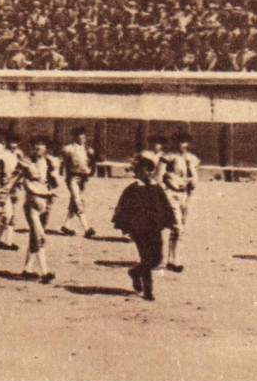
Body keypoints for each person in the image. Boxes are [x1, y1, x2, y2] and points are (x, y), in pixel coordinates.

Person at [112, 156, 178, 302]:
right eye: (144, 171)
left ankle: (135, 272)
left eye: (150, 171)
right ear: (138, 172)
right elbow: (122, 209)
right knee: (147, 258)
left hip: (155, 228)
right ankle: (148, 291)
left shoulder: (156, 187)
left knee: (158, 259)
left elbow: (165, 205)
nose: (148, 173)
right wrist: (127, 228)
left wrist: (172, 222)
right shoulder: (132, 189)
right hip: (139, 230)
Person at [15, 136, 62, 283]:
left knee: (35, 238)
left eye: (41, 144)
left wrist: (54, 183)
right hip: (32, 204)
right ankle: (45, 272)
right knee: (39, 236)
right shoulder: (25, 163)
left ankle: (27, 269)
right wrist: (2, 197)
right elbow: (12, 181)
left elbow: (55, 184)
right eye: (35, 144)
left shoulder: (50, 163)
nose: (38, 147)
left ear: (46, 148)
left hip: (46, 204)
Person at [161, 132, 200, 273]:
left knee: (179, 227)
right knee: (177, 226)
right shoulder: (168, 157)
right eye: (179, 141)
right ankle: (176, 260)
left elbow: (194, 182)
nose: (182, 145)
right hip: (170, 194)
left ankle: (171, 260)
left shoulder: (192, 159)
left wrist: (189, 198)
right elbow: (159, 178)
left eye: (184, 142)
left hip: (184, 195)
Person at [58, 126, 97, 237]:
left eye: (84, 136)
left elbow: (93, 163)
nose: (83, 138)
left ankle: (66, 226)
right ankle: (87, 228)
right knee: (78, 202)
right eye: (80, 135)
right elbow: (62, 162)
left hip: (83, 179)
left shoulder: (88, 149)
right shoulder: (68, 149)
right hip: (73, 178)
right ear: (74, 137)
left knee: (74, 203)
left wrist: (90, 172)